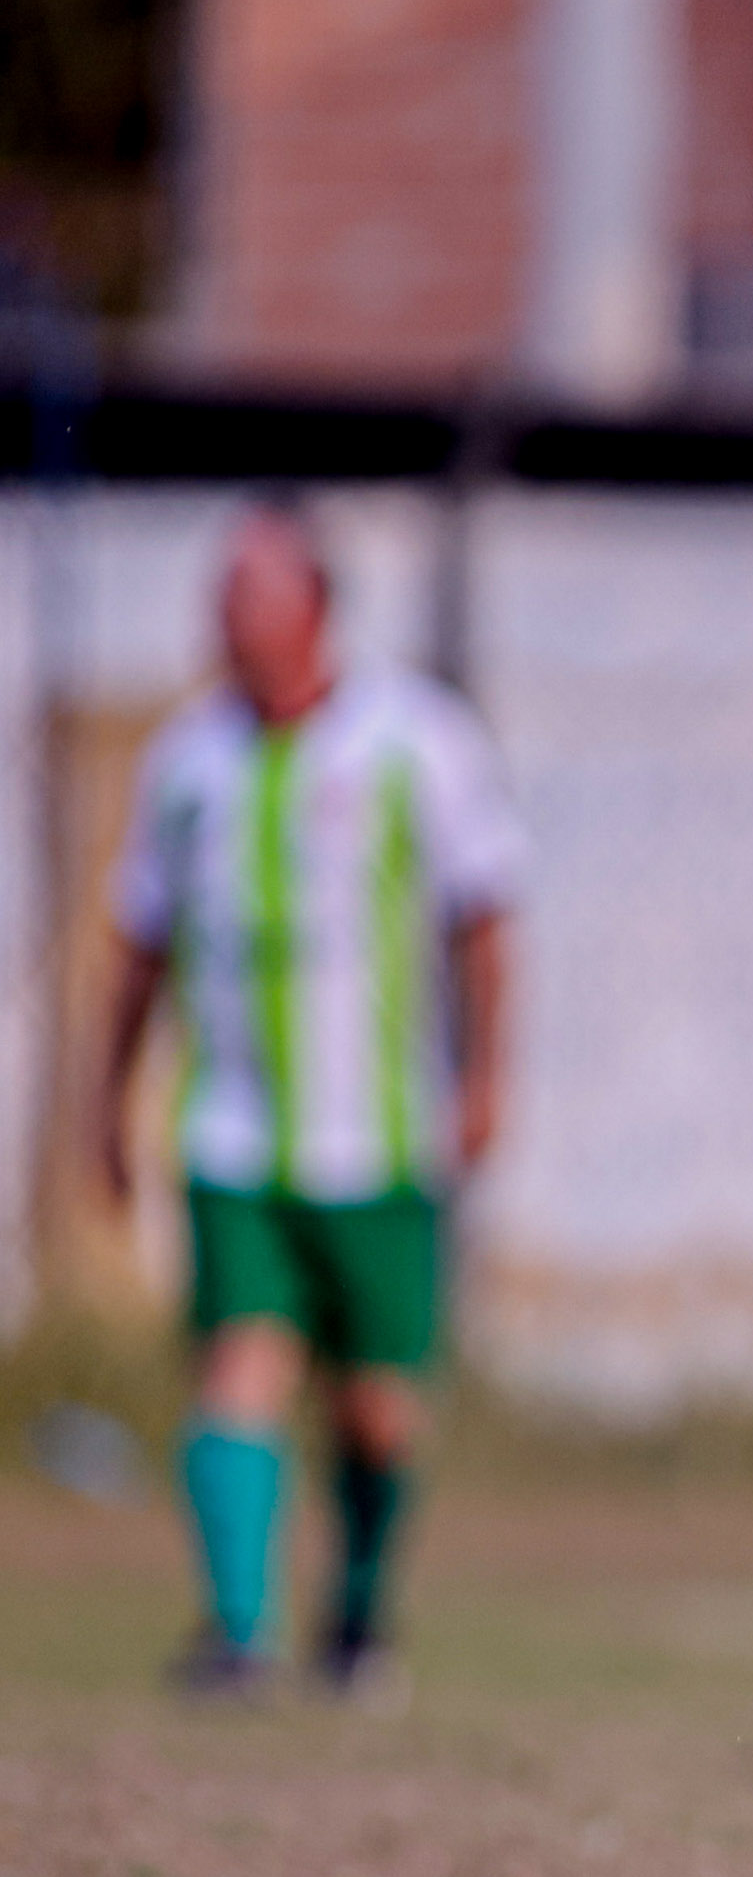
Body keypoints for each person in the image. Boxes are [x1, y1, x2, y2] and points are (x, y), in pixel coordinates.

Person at [100, 499, 525, 1705]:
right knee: (236, 1370)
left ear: (317, 608)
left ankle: (357, 1618)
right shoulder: (186, 761)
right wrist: (106, 1101)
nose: (226, 620)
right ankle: (237, 1633)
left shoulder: (417, 744)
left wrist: (488, 1075)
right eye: (219, 594)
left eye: (251, 594)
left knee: (379, 1407)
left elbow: (486, 921)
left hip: (383, 1137)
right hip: (233, 1130)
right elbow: (138, 945)